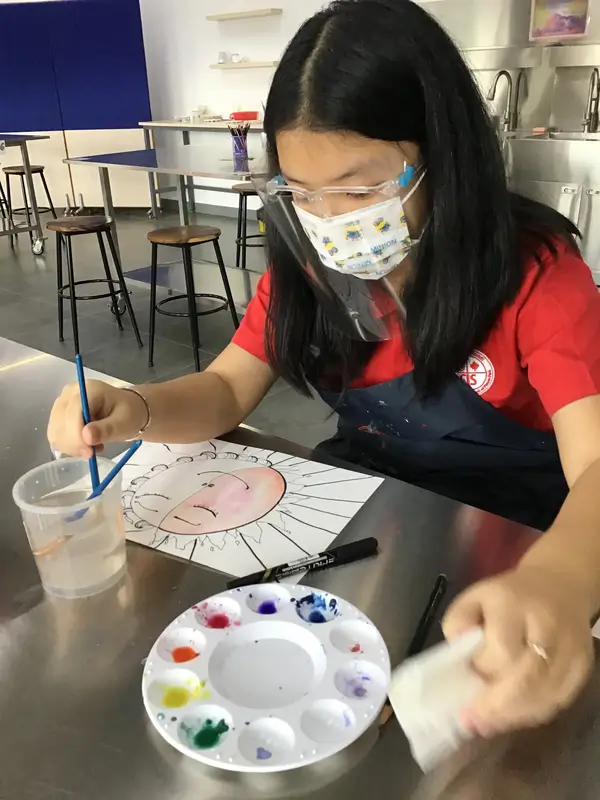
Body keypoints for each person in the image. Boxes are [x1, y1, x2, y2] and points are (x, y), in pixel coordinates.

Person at [48, 0, 599, 739]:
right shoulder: (312, 271)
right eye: (302, 193)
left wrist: (560, 580)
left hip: (513, 543)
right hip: (367, 523)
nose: (332, 219)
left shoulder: (537, 277)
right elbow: (225, 389)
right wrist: (135, 408)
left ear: (442, 157)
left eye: (360, 189)